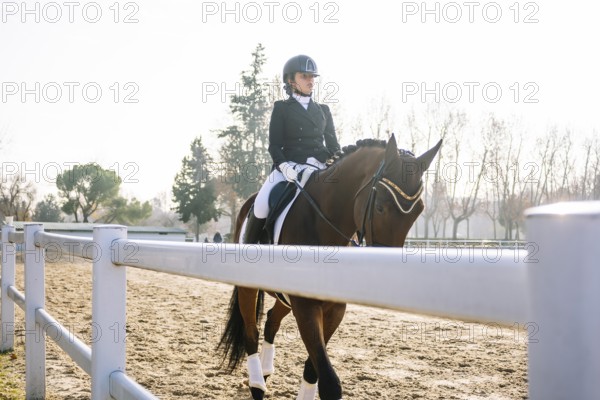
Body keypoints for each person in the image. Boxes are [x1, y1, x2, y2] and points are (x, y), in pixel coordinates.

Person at [243, 54, 341, 244]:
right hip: (288, 169)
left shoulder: (323, 110)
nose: (310, 81)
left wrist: (331, 162)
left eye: (312, 77)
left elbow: (334, 147)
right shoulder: (282, 108)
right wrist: (285, 166)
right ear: (291, 81)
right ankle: (248, 248)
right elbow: (274, 145)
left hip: (319, 168)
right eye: (304, 76)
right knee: (262, 204)